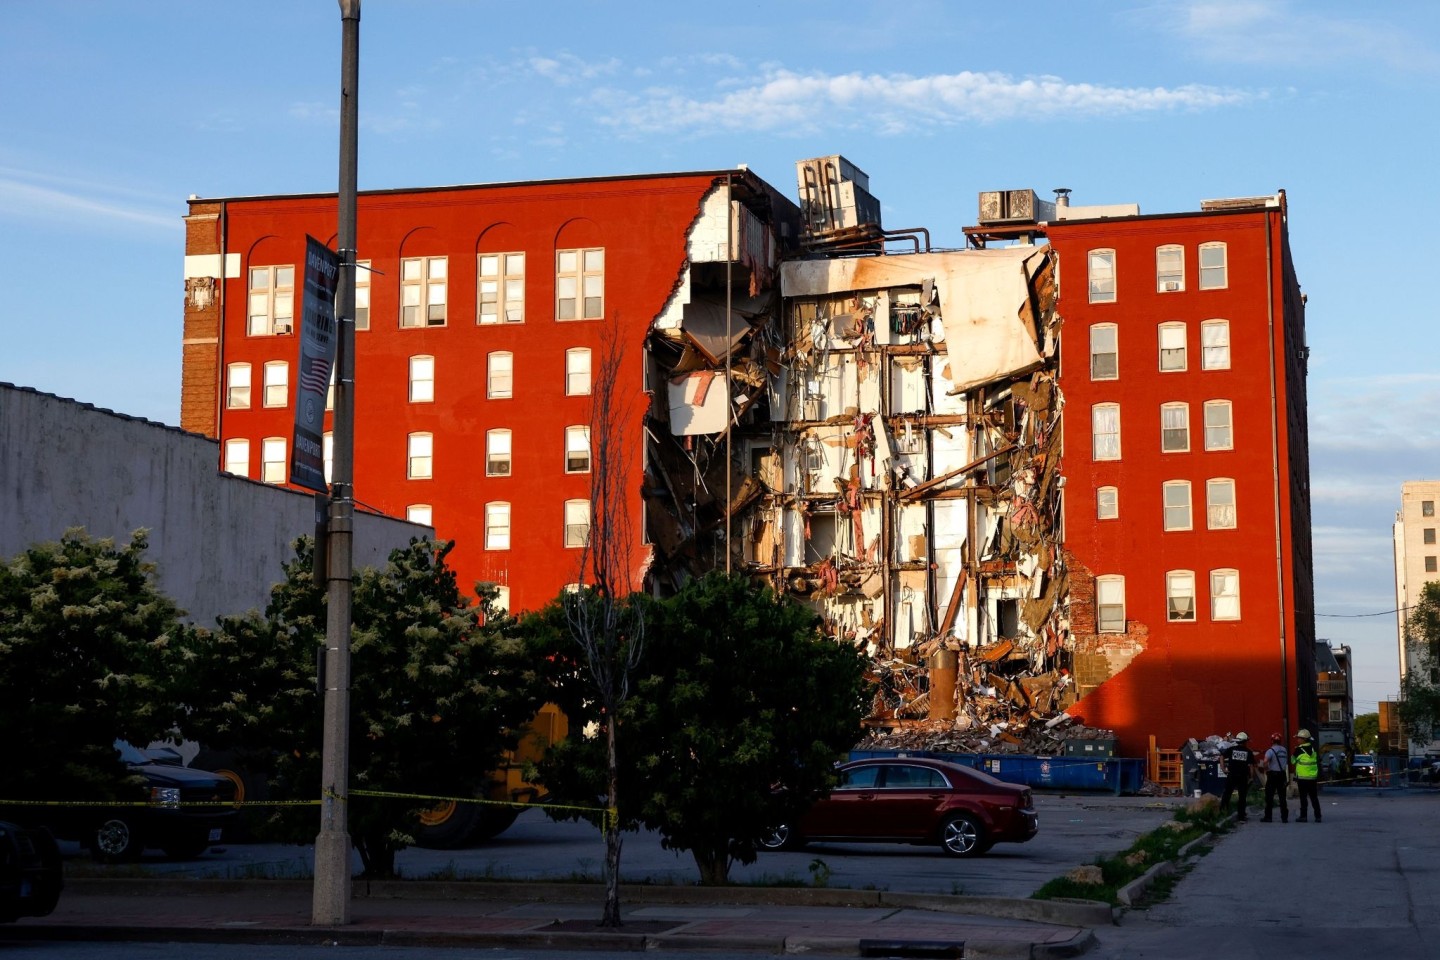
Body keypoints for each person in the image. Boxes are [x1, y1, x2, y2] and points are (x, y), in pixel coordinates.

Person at [1220, 732, 1256, 821]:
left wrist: (1223, 769)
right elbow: (1251, 766)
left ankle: (1223, 812)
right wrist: (1251, 777)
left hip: (1232, 775)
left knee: (1227, 794)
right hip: (1242, 776)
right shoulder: (1248, 752)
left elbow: (1221, 757)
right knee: (1242, 796)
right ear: (1245, 741)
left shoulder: (1232, 749)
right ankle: (1241, 816)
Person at [1292, 729, 1321, 822]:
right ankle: (1318, 816)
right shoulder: (1314, 749)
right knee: (1314, 797)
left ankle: (1303, 816)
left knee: (1303, 798)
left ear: (1303, 739)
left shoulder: (1299, 750)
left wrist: (1294, 756)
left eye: (1299, 738)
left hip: (1302, 778)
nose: (1297, 740)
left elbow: (1292, 761)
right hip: (1312, 777)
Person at [1260, 732, 1289, 822]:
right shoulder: (1284, 750)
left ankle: (1268, 817)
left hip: (1273, 775)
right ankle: (1284, 817)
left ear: (1272, 740)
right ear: (1280, 740)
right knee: (1282, 797)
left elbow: (1265, 762)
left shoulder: (1270, 750)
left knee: (1269, 797)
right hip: (1282, 775)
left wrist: (1267, 769)